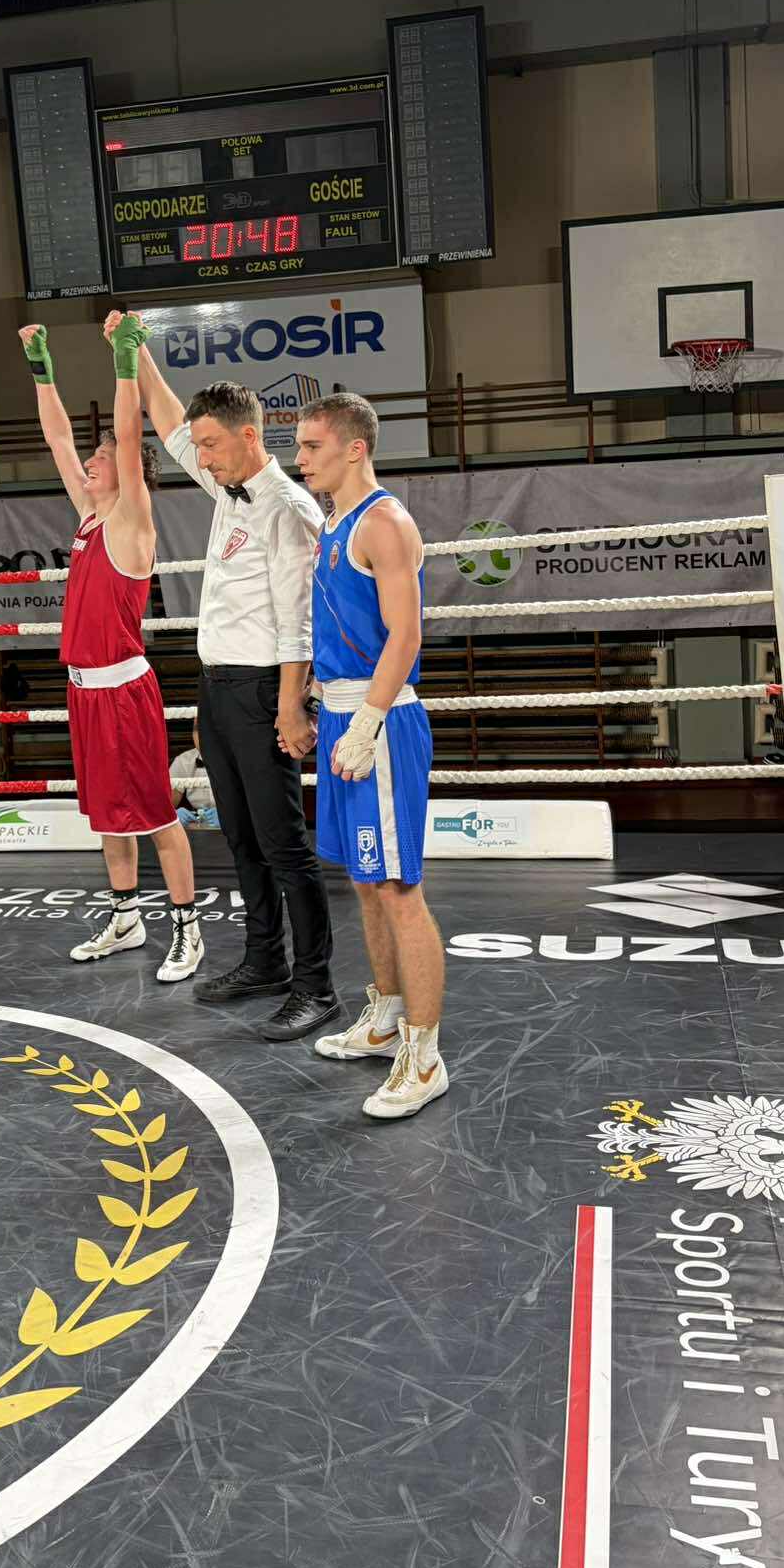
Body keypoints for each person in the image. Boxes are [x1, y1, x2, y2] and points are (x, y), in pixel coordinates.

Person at [125, 318, 339, 1042]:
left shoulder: (288, 507)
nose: (202, 456)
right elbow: (169, 424)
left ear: (250, 437)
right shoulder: (228, 488)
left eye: (212, 444)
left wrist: (291, 706)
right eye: (201, 445)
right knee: (241, 839)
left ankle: (316, 986)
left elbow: (299, 622)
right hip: (219, 689)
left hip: (265, 690)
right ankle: (265, 962)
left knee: (284, 845)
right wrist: (135, 352)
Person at [18, 315, 203, 983]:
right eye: (91, 461)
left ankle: (187, 930)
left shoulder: (130, 520)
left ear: (122, 473)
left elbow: (126, 437)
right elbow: (57, 437)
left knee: (154, 814)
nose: (89, 464)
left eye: (100, 460)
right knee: (108, 817)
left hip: (125, 691)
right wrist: (41, 371)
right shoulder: (89, 517)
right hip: (84, 694)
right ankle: (126, 919)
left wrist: (126, 362)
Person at [293, 392, 447, 1119]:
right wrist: (317, 706)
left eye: (311, 446)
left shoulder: (384, 522)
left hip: (378, 720)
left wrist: (369, 721)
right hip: (341, 714)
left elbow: (405, 635)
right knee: (364, 879)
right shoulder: (333, 524)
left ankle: (426, 1055)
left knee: (398, 889)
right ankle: (385, 1020)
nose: (300, 459)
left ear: (355, 448)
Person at [169, 721, 219, 829]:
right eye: (197, 729)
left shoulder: (239, 760)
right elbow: (164, 807)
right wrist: (172, 817)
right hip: (196, 827)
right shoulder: (183, 761)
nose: (202, 734)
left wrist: (232, 816)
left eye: (209, 727)